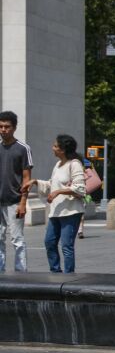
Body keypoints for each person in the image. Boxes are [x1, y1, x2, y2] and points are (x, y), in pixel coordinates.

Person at [23, 135, 86, 273]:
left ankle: (69, 275)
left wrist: (59, 192)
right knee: (49, 242)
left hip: (71, 212)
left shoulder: (74, 164)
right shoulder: (58, 164)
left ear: (63, 149)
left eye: (55, 146)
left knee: (66, 246)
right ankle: (55, 272)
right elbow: (52, 184)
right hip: (56, 211)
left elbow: (80, 188)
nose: (53, 148)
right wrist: (35, 182)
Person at [0, 111, 33, 272]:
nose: (3, 130)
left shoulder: (23, 149)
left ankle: (21, 273)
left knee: (17, 239)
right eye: (0, 126)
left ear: (14, 128)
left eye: (7, 126)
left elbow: (27, 179)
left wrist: (23, 203)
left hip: (15, 201)